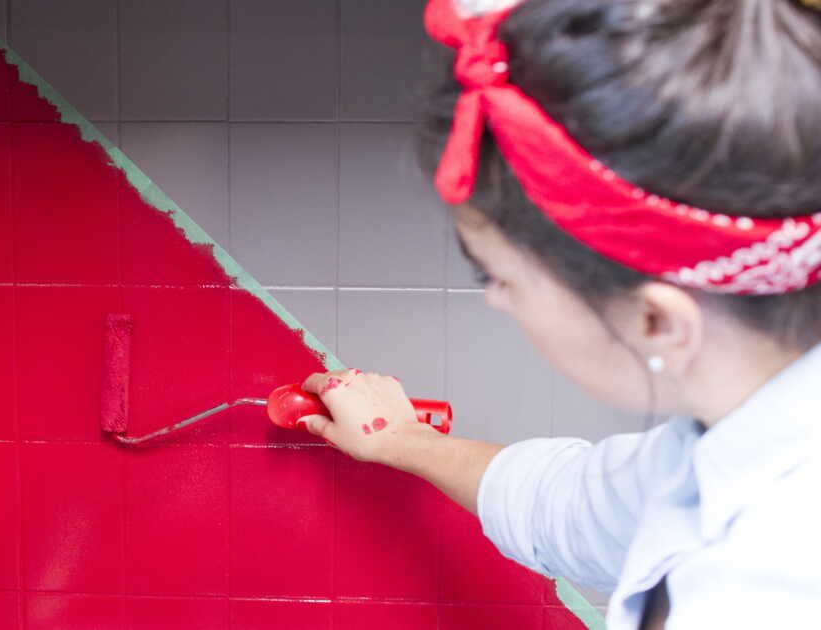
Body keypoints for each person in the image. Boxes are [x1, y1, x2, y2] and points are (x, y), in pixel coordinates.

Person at [299, 0, 821, 627]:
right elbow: (573, 506)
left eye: (500, 278)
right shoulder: (742, 438)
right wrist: (401, 439)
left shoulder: (766, 589)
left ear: (658, 322)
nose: (496, 300)